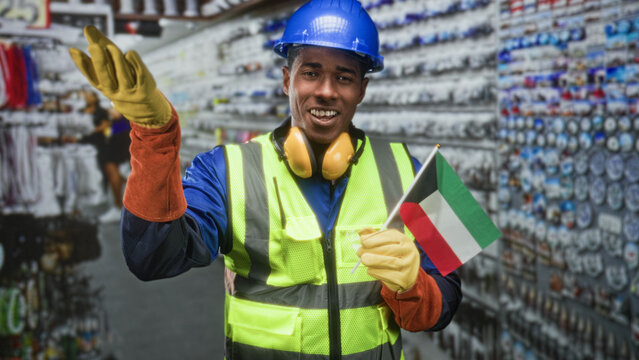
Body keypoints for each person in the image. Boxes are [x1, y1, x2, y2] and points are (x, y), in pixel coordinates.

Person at [68, 0, 462, 358]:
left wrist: (415, 287)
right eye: (311, 73)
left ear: (362, 89)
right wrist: (155, 138)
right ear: (287, 80)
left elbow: (449, 300)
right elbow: (151, 257)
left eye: (344, 77)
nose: (326, 91)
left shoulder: (415, 170)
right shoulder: (224, 170)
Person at [79, 90, 131, 223]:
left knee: (118, 173)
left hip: (122, 141)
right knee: (117, 173)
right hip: (118, 141)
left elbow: (119, 115)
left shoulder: (121, 105)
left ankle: (121, 207)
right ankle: (120, 206)